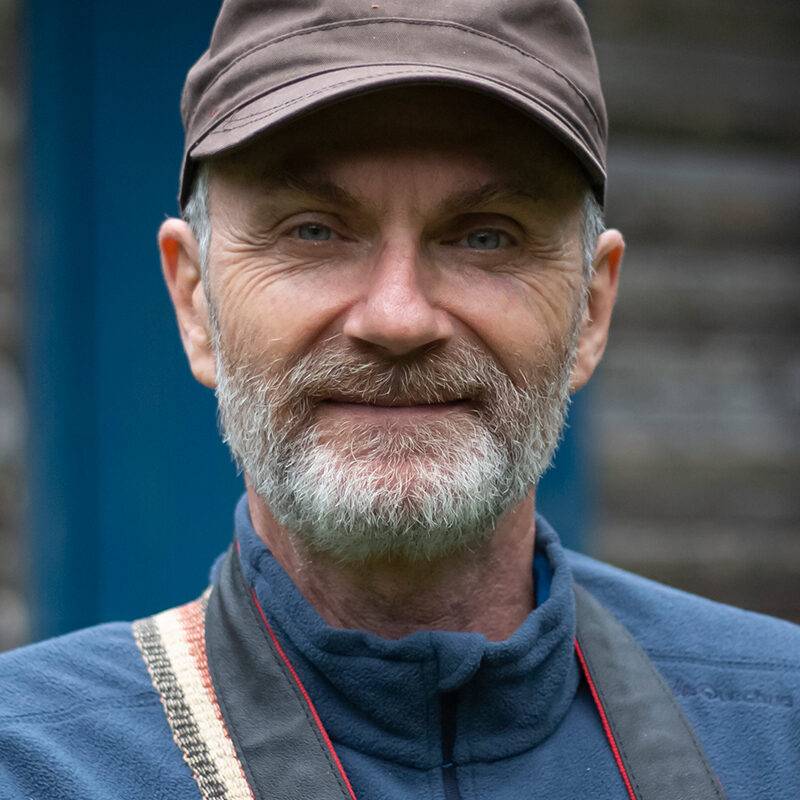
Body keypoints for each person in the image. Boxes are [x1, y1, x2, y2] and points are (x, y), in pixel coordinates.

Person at [1, 1, 798, 798]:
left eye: (486, 235)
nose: (398, 319)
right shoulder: (32, 761)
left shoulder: (776, 730)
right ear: (195, 301)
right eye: (313, 231)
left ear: (589, 311)